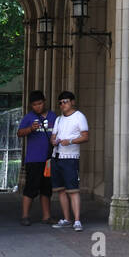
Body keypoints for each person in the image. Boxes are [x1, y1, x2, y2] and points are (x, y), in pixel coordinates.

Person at [50, 91, 89, 231]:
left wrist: (71, 141)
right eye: (60, 103)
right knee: (60, 190)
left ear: (72, 102)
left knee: (73, 190)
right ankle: (67, 218)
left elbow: (85, 136)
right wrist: (54, 141)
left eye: (65, 101)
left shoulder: (79, 117)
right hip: (57, 156)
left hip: (70, 158)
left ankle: (77, 220)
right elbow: (53, 137)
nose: (62, 105)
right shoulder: (59, 119)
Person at [15, 91, 56, 226]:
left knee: (46, 188)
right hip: (33, 159)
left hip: (49, 159)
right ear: (31, 106)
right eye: (34, 105)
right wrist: (30, 129)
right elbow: (19, 133)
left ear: (44, 102)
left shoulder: (53, 116)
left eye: (40, 103)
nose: (38, 107)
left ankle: (47, 216)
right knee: (31, 188)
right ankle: (25, 216)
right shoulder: (29, 117)